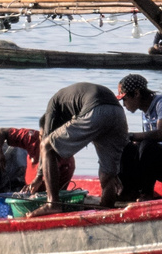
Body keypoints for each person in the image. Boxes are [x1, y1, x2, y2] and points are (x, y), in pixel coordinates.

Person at [35, 81, 128, 211]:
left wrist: (39, 176)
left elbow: (46, 138)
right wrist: (113, 171)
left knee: (47, 146)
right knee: (108, 174)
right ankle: (106, 209)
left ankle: (53, 204)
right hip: (118, 113)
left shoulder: (53, 103)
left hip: (95, 109)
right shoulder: (73, 101)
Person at [115, 74, 162, 201]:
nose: (124, 104)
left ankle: (146, 194)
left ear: (137, 93)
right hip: (160, 162)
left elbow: (161, 134)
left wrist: (131, 135)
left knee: (146, 145)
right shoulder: (145, 112)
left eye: (125, 99)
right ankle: (128, 191)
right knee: (128, 146)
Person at [0, 126, 75, 195]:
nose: (44, 143)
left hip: (41, 194)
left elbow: (55, 193)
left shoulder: (66, 159)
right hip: (22, 182)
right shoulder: (32, 138)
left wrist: (33, 189)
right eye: (42, 137)